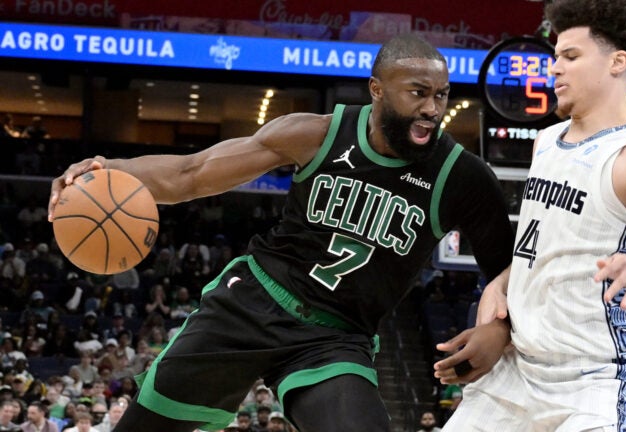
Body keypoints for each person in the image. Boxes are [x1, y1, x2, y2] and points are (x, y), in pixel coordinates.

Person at [47, 33, 514, 432]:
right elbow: (191, 173)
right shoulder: (314, 134)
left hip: (334, 337)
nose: (432, 109)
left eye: (441, 95)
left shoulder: (462, 177)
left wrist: (498, 329)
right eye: (418, 93)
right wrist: (107, 170)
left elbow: (510, 270)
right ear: (377, 89)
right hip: (250, 304)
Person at [433, 0, 626, 430]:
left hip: (594, 379)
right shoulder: (547, 141)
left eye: (570, 56)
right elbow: (545, 242)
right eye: (555, 58)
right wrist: (502, 282)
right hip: (518, 370)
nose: (554, 69)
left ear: (617, 62)